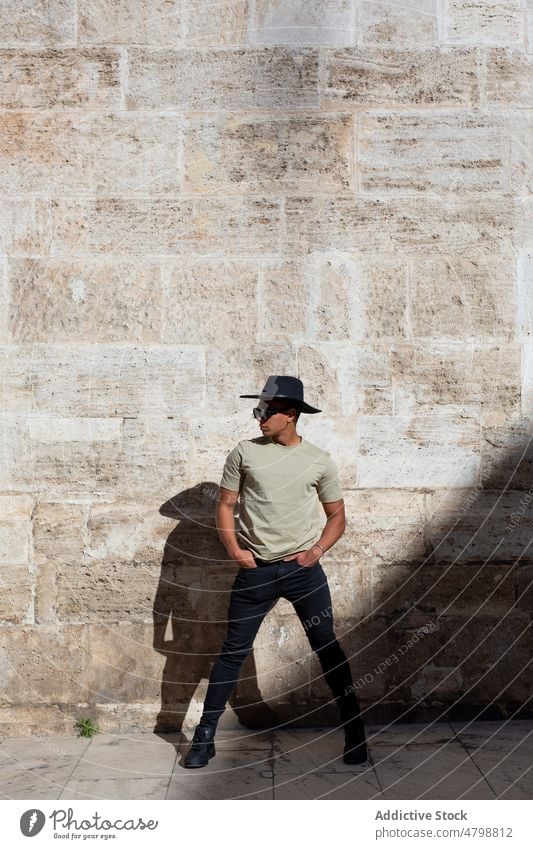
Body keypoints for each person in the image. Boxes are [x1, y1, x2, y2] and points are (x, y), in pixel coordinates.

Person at [183, 375, 368, 768]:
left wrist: (317, 550)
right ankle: (204, 737)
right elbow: (225, 505)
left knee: (326, 646)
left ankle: (355, 731)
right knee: (232, 652)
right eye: (259, 410)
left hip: (303, 573)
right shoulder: (244, 453)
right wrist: (235, 550)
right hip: (256, 573)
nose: (259, 418)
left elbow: (337, 516)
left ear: (290, 414)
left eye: (265, 411)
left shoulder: (319, 460)